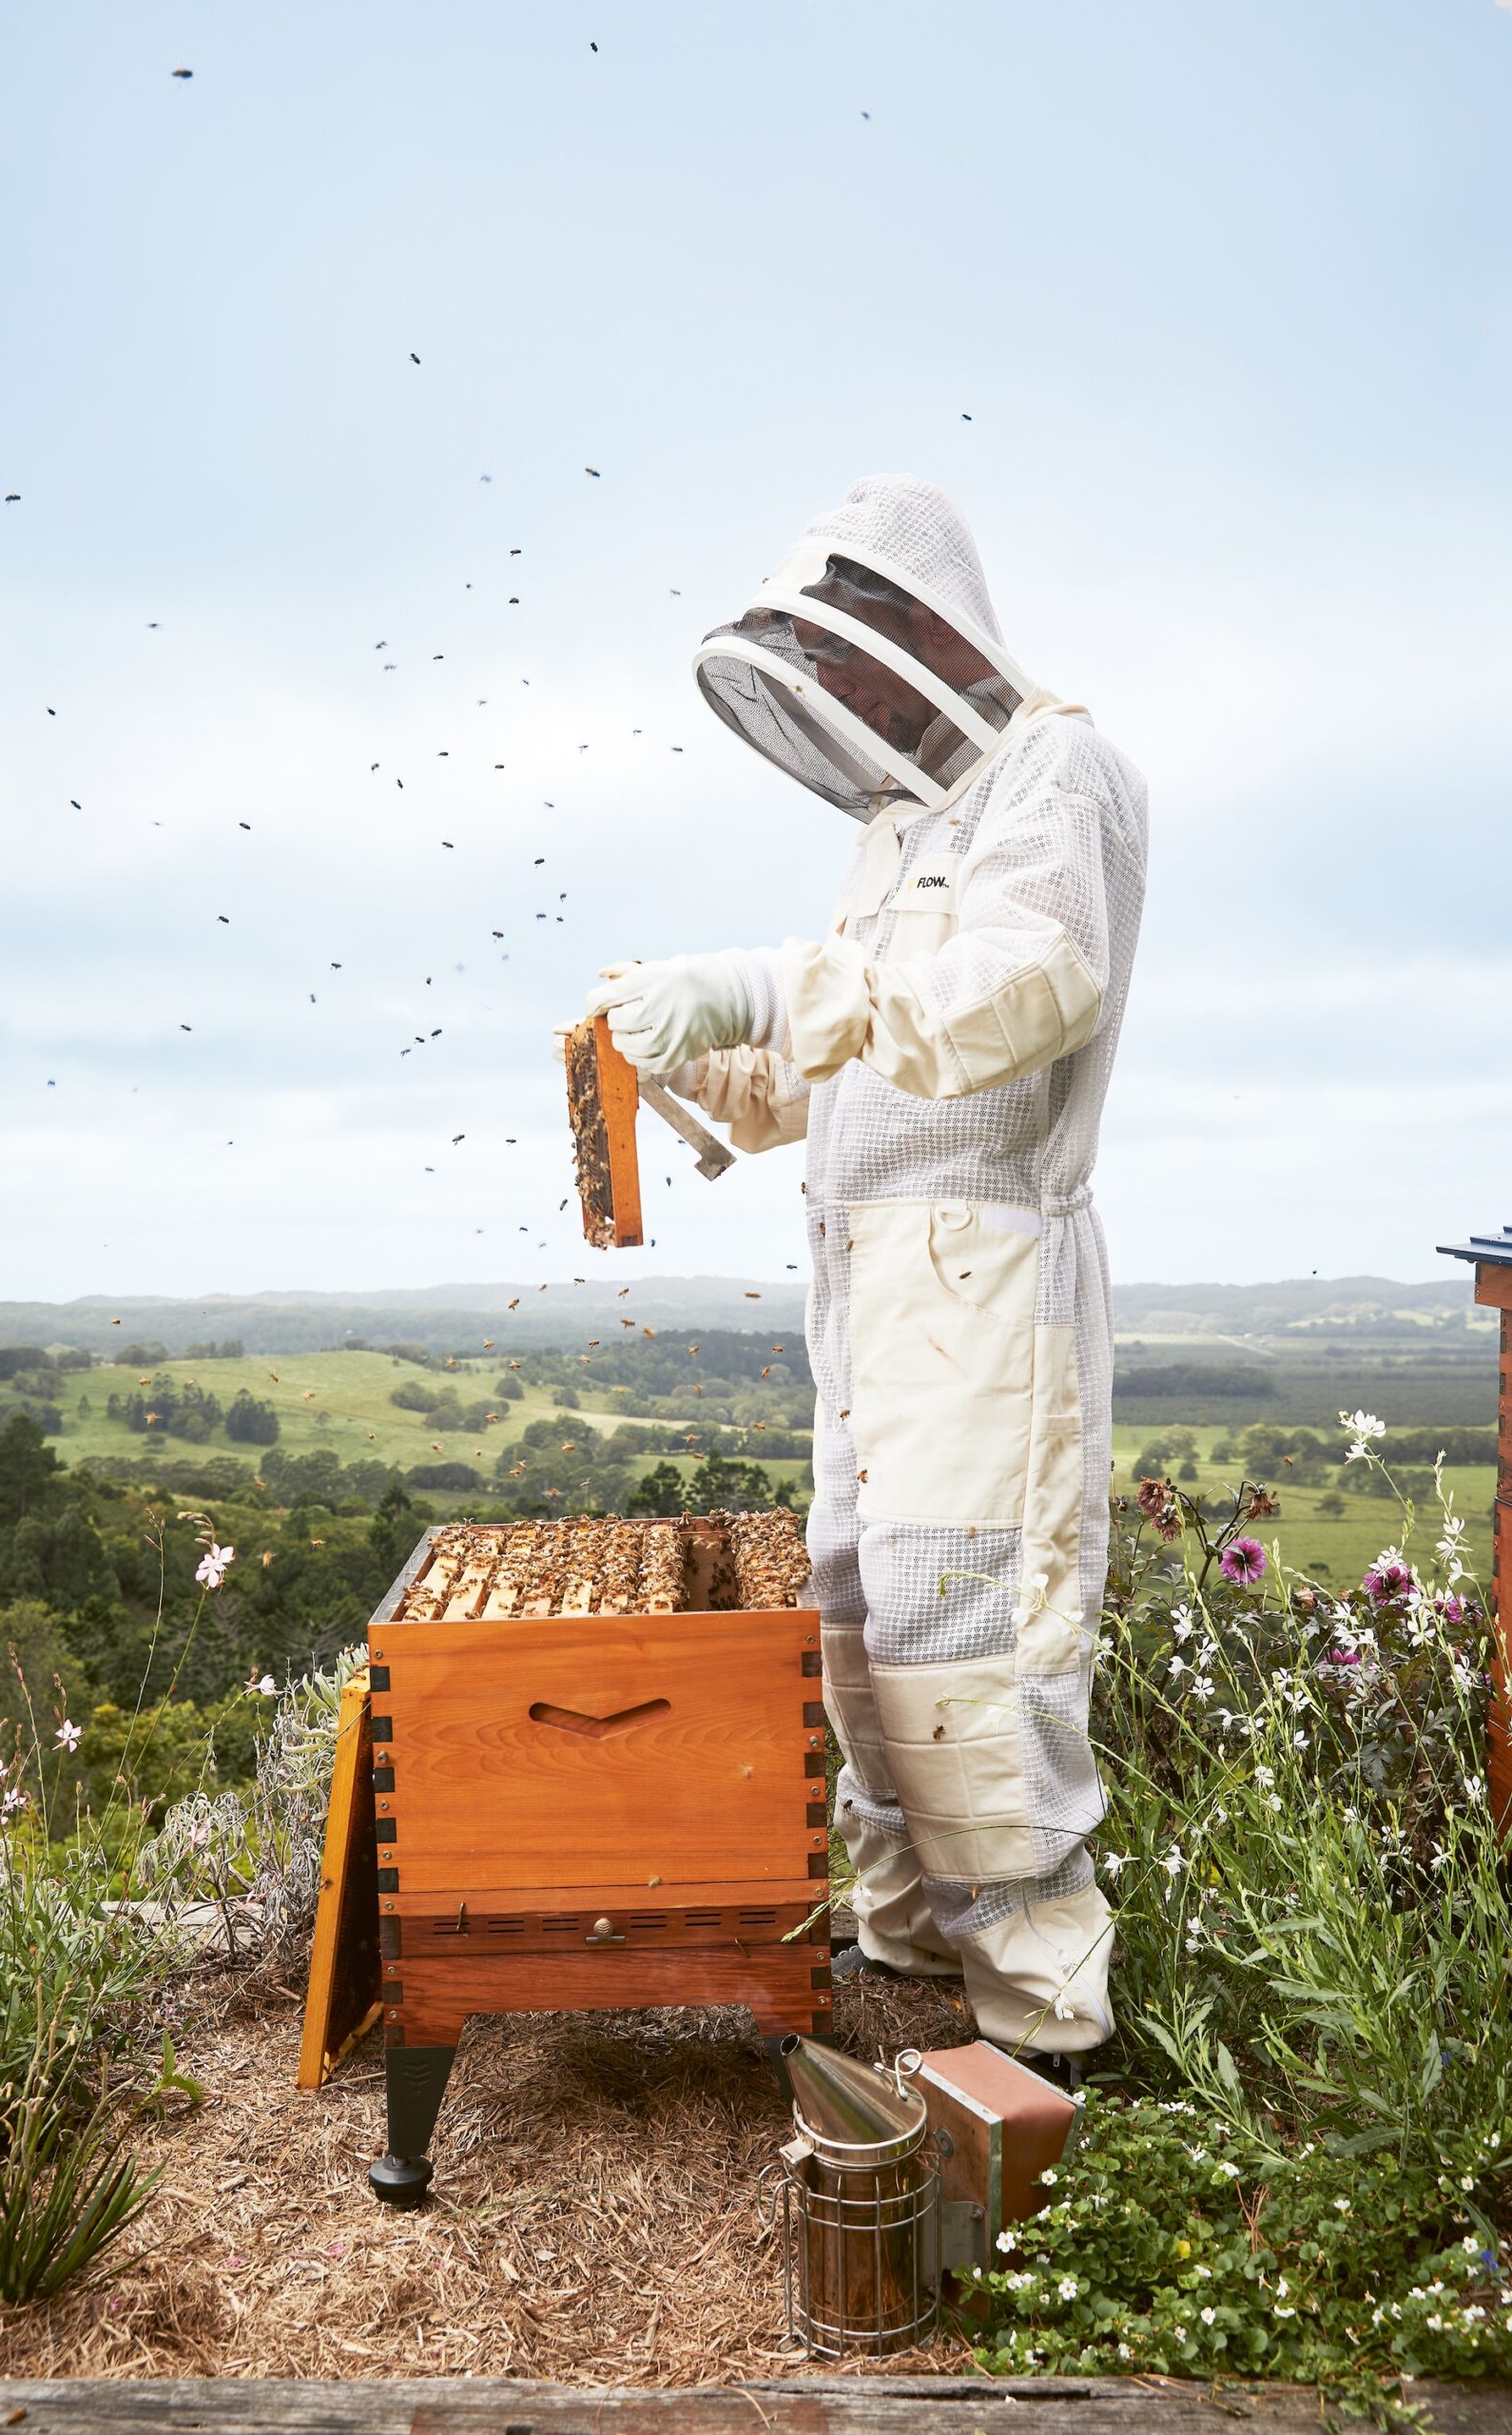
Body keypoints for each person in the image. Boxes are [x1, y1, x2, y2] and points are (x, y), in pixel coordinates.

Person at [576, 477, 1148, 2073]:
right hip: (867, 1296)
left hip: (986, 1291)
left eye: (857, 658)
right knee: (859, 1621)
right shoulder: (902, 832)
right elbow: (849, 1058)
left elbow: (1016, 991)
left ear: (920, 622)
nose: (848, 700)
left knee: (969, 1640)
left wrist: (767, 979)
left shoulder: (1065, 777)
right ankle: (905, 1952)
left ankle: (1044, 2026)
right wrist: (690, 1048)